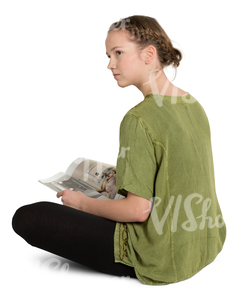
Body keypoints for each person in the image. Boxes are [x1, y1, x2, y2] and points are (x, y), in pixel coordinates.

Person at [12, 15, 226, 285]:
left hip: (162, 255)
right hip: (204, 242)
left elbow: (138, 211)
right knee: (112, 177)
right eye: (108, 55)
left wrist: (82, 203)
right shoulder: (192, 103)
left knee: (28, 216)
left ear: (149, 54)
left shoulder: (139, 119)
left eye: (118, 53)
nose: (109, 64)